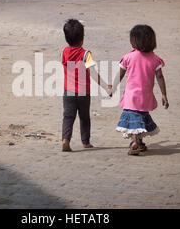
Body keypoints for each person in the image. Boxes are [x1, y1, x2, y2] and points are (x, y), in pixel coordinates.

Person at [111, 25, 169, 155]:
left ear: (134, 42)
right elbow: (160, 77)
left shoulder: (128, 57)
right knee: (141, 117)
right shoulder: (155, 59)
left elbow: (120, 75)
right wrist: (164, 95)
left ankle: (135, 143)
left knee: (134, 120)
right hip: (146, 96)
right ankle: (140, 142)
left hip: (131, 97)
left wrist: (113, 88)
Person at [61, 19, 111, 152]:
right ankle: (85, 142)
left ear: (66, 38)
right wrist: (105, 86)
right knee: (84, 117)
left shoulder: (64, 52)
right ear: (82, 38)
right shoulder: (85, 54)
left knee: (68, 116)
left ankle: (65, 139)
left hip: (68, 91)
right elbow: (93, 73)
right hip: (84, 92)